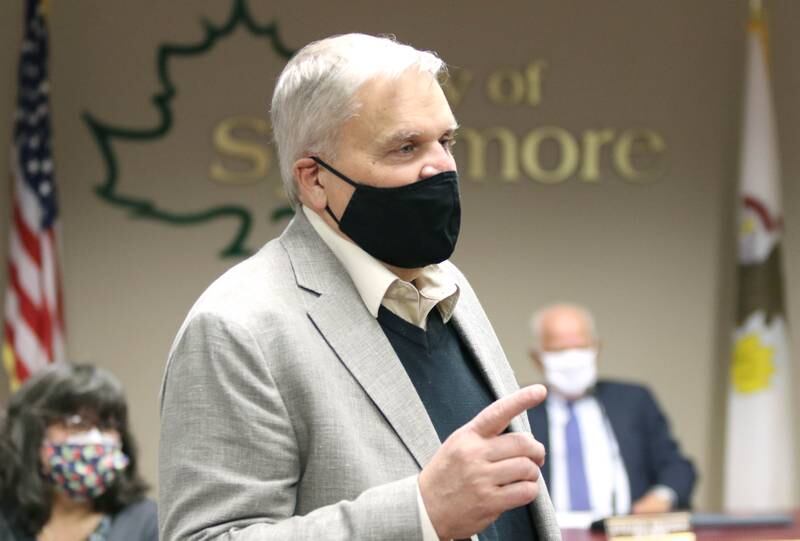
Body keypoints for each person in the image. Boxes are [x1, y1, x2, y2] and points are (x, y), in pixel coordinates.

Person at [159, 33, 560, 541]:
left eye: (446, 141)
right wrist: (419, 513)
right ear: (314, 180)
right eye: (406, 147)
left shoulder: (447, 285)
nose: (440, 166)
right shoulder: (238, 328)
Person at [527, 303, 697, 520]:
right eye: (559, 350)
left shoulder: (633, 400)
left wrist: (661, 497)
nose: (572, 358)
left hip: (623, 530)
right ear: (537, 358)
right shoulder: (522, 409)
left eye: (581, 347)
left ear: (597, 349)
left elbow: (677, 466)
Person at [0, 363, 158, 541]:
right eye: (77, 424)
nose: (95, 438)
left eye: (107, 426)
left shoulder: (149, 523)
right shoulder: (6, 520)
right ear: (31, 434)